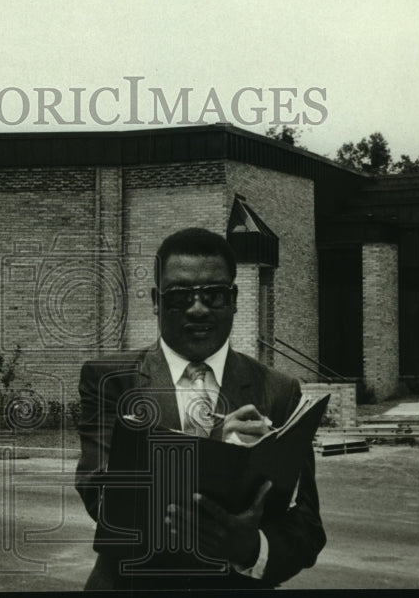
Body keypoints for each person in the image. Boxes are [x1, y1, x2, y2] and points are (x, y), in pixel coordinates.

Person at [75, 227, 326, 590]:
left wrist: (250, 548)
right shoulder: (112, 380)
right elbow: (102, 498)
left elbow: (306, 526)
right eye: (179, 296)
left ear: (234, 298)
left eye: (214, 294)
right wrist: (213, 449)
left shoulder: (280, 391)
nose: (197, 308)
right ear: (156, 301)